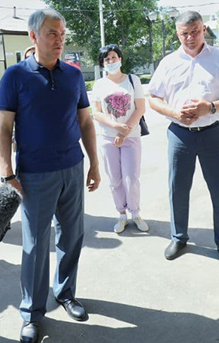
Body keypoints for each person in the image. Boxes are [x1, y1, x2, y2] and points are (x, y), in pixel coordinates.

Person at [0, 9, 100, 343]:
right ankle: (32, 313)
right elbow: (4, 128)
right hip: (34, 173)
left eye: (62, 33)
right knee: (35, 245)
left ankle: (66, 293)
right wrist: (6, 171)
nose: (59, 39)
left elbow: (85, 123)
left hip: (72, 166)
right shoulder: (15, 76)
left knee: (72, 236)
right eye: (52, 33)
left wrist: (94, 164)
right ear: (33, 36)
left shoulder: (73, 75)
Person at [148, 11, 219, 270]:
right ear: (177, 34)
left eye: (194, 31)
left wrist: (210, 107)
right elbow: (153, 98)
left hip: (214, 132)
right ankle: (179, 237)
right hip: (179, 134)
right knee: (177, 189)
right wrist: (173, 113)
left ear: (204, 29)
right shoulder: (168, 63)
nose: (190, 37)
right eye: (184, 33)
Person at [92, 44, 149, 233]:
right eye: (106, 59)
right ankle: (122, 214)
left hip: (131, 137)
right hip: (108, 138)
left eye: (113, 57)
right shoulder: (99, 84)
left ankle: (135, 213)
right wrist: (115, 127)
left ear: (120, 59)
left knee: (131, 178)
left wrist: (125, 131)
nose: (110, 61)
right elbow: (97, 113)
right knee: (114, 179)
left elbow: (140, 108)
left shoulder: (133, 80)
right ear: (102, 64)